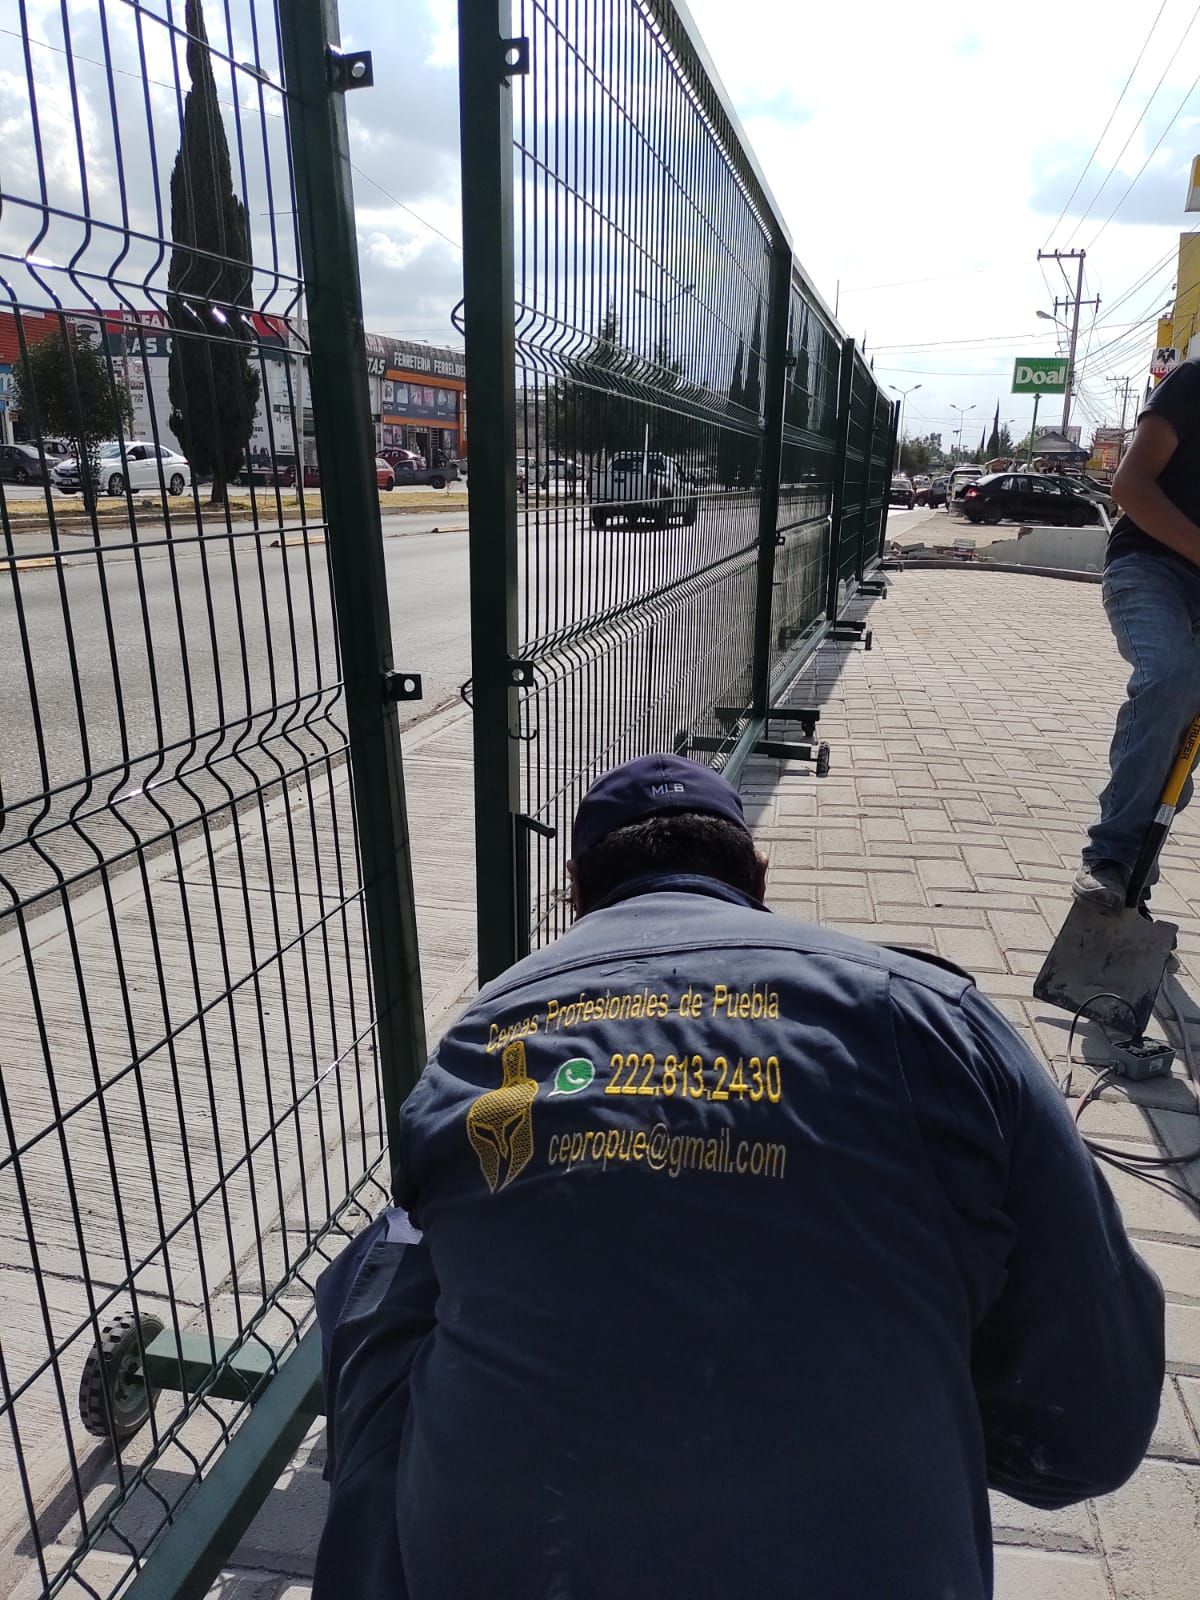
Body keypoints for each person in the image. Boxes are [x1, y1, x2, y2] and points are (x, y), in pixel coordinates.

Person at [315, 754, 1163, 1600]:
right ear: (758, 876)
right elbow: (1093, 1431)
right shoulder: (924, 1015)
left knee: (386, 1257)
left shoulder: (480, 1035)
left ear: (576, 891)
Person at [1076, 358, 1200, 911]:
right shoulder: (1192, 383)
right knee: (1171, 678)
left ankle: (1131, 888)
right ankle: (1110, 856)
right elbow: (1129, 484)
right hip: (1149, 566)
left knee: (1184, 740)